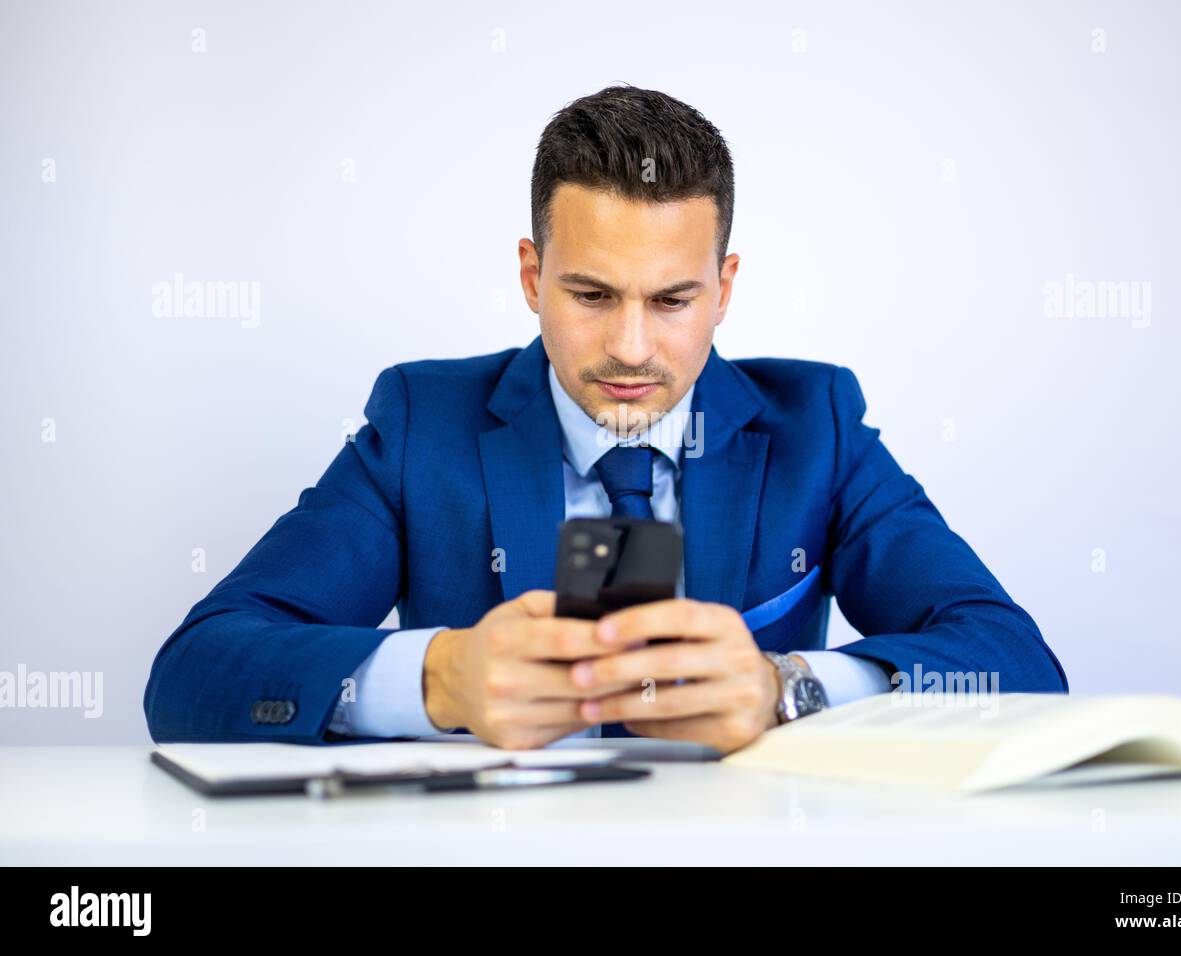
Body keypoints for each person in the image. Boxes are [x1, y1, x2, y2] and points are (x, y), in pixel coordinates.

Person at [144, 84, 1067, 755]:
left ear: (724, 290)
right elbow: (195, 672)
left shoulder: (817, 430)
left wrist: (789, 687)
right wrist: (439, 679)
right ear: (531, 277)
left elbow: (1016, 662)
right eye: (589, 293)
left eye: (672, 300)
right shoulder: (422, 423)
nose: (630, 348)